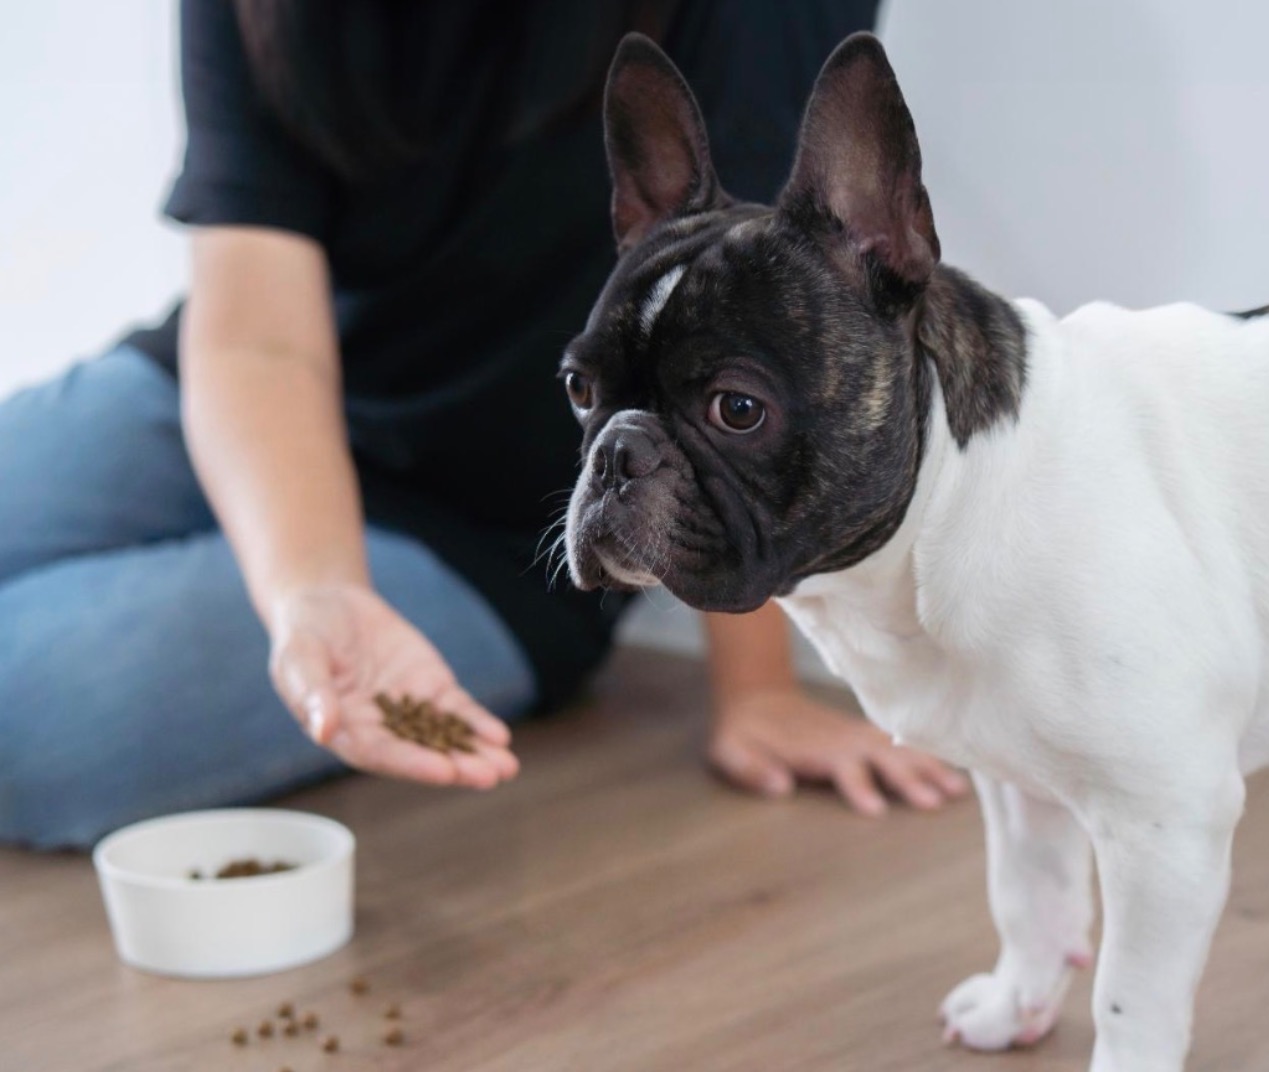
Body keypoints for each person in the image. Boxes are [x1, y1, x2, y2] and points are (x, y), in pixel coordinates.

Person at [0, 0, 967, 850]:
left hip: (488, 531)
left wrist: (758, 689)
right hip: (235, 394)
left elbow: (765, 322)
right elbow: (255, 337)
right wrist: (308, 584)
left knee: (28, 722)